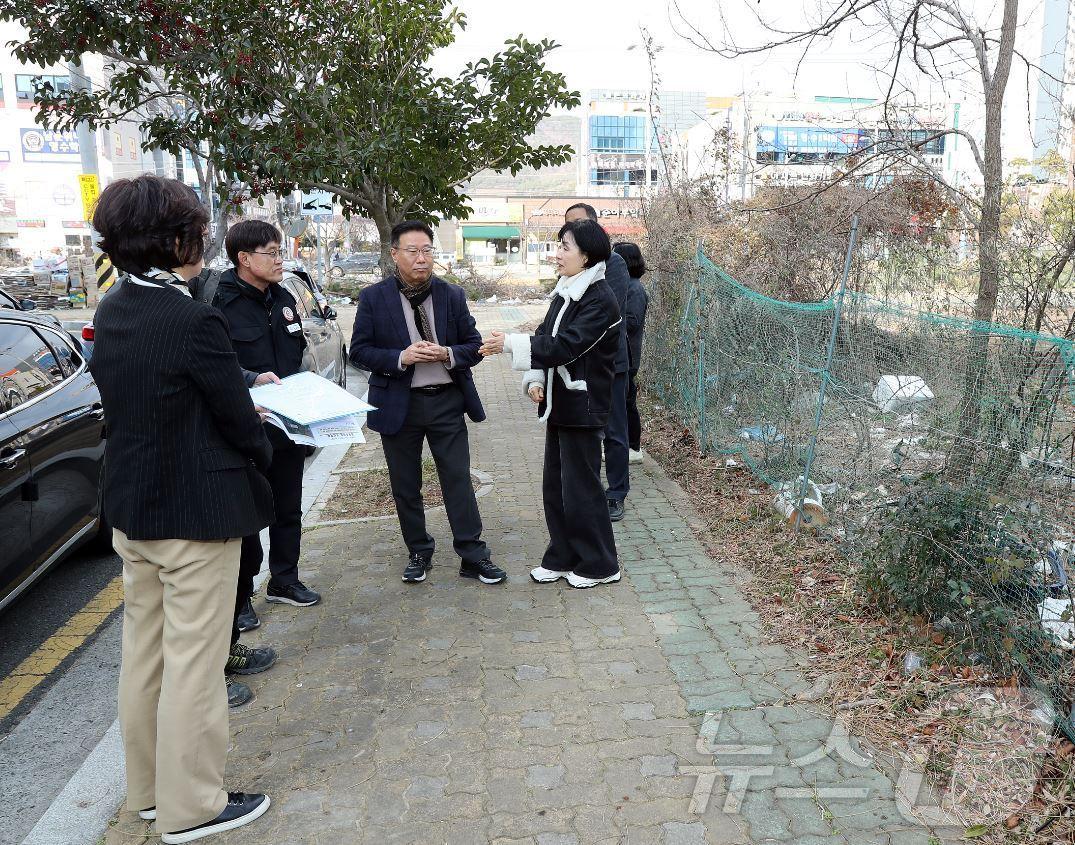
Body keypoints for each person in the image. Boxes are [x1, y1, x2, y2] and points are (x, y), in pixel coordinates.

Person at [89, 175, 272, 842]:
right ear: (174, 241)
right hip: (197, 512)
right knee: (195, 664)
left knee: (145, 655)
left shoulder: (113, 307)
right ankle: (191, 805)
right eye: (196, 233)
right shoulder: (193, 318)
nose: (203, 243)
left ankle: (145, 793)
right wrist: (260, 438)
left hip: (134, 507)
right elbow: (237, 419)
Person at [192, 220, 322, 661]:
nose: (280, 259)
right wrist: (250, 382)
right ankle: (242, 598)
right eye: (272, 252)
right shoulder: (215, 302)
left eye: (280, 251)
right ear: (244, 258)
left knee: (289, 505)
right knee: (247, 515)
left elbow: (296, 359)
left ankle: (285, 579)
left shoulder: (283, 299)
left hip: (286, 425)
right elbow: (216, 367)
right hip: (242, 430)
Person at [349, 221, 506, 586]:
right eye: (412, 251)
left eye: (427, 251)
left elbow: (474, 345)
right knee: (406, 484)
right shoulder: (375, 297)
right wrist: (401, 357)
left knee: (457, 479)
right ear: (395, 254)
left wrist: (448, 353)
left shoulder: (451, 294)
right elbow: (358, 351)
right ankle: (419, 551)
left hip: (446, 401)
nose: (421, 259)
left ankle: (472, 554)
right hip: (398, 404)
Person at [480, 219, 622, 588]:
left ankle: (600, 564)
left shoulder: (601, 299)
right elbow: (546, 335)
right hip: (561, 404)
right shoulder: (566, 291)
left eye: (564, 247)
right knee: (556, 486)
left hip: (584, 405)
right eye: (558, 246)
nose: (556, 254)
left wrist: (509, 343)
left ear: (587, 255)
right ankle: (562, 556)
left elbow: (566, 346)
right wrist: (535, 379)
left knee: (583, 490)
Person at [563, 203, 631, 522]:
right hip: (578, 364)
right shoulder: (569, 271)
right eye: (568, 226)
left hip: (609, 362)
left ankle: (616, 492)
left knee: (614, 430)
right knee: (589, 430)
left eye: (578, 224)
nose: (572, 231)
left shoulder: (612, 264)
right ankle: (590, 491)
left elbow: (604, 314)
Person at [612, 242, 649, 462]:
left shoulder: (634, 288)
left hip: (629, 356)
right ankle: (625, 444)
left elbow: (633, 321)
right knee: (622, 402)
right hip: (623, 354)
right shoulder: (627, 285)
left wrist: (612, 316)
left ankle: (634, 448)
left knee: (627, 402)